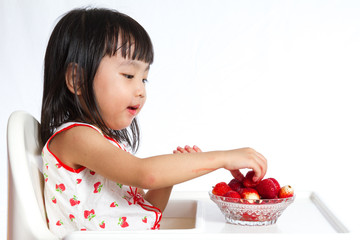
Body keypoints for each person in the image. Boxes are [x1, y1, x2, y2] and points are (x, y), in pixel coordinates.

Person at [40, 7, 267, 238]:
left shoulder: (104, 144)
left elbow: (143, 214)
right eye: (129, 76)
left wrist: (170, 178)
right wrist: (223, 157)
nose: (140, 91)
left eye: (144, 78)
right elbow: (145, 173)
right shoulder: (75, 137)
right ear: (77, 79)